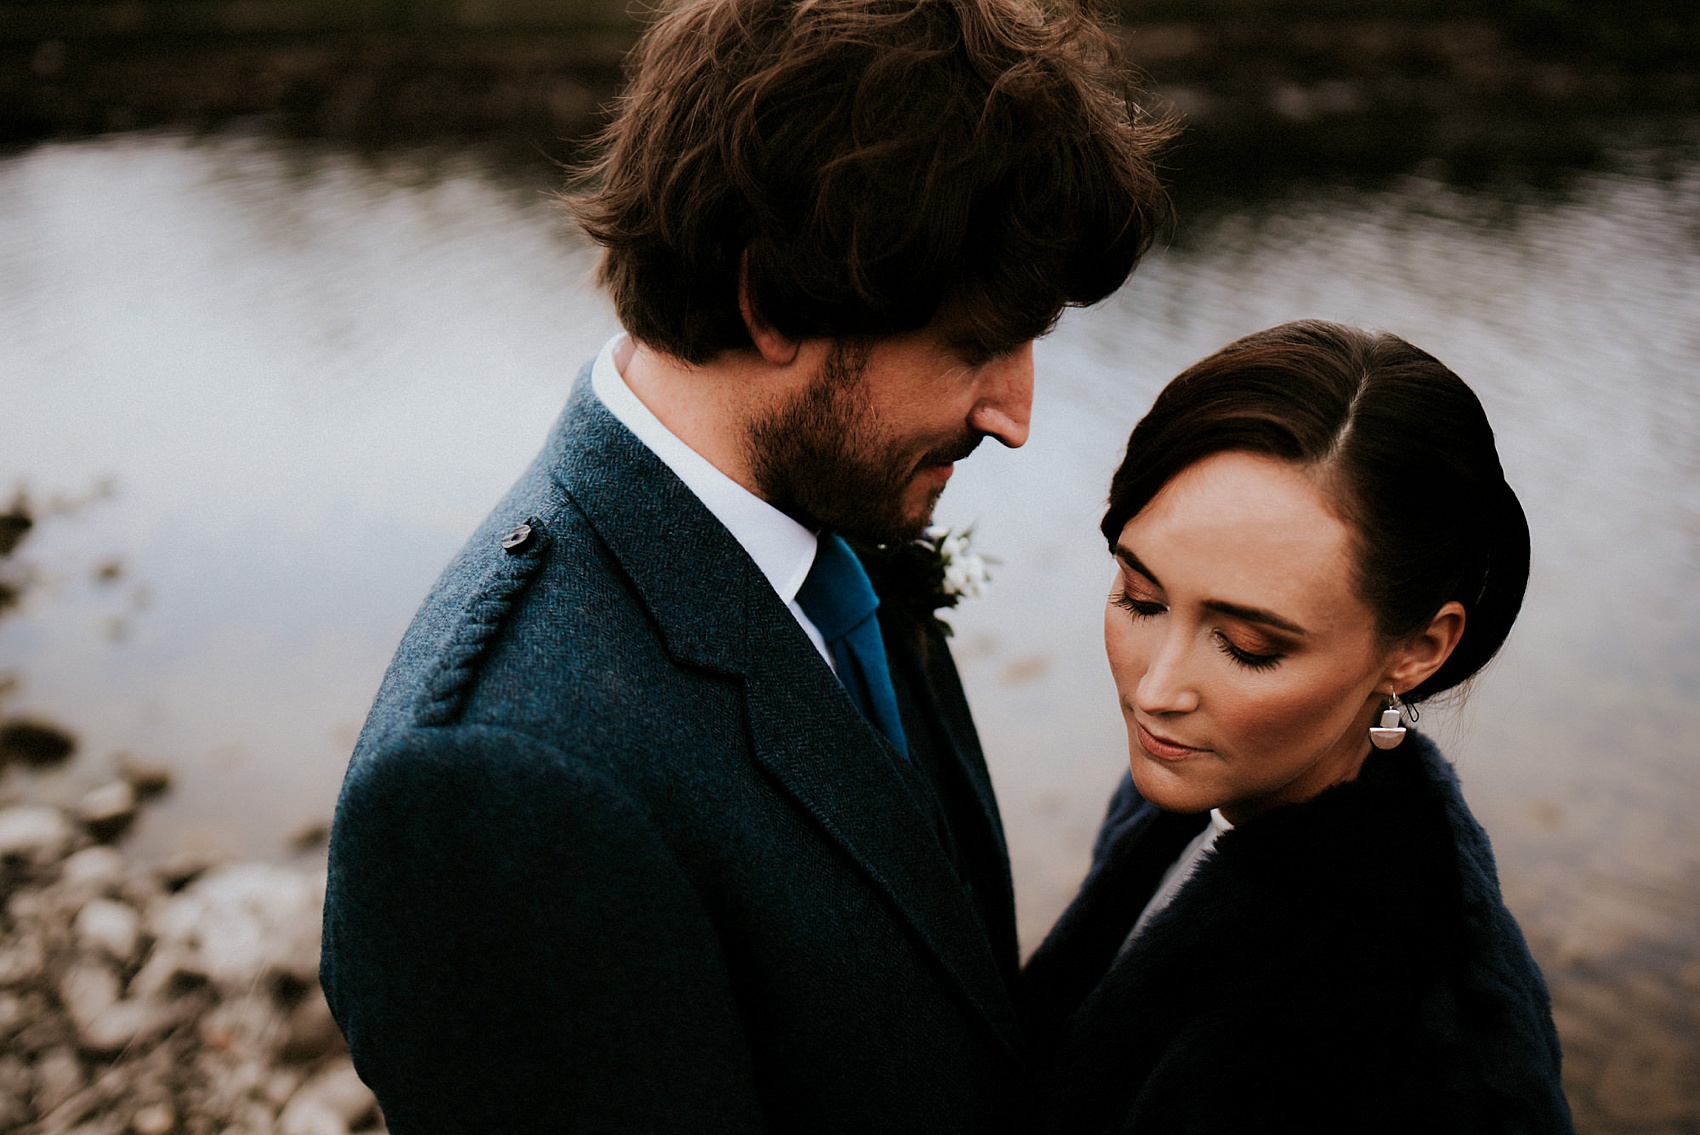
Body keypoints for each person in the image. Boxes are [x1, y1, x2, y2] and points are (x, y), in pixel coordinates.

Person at [319, 0, 1171, 1130]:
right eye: (974, 343)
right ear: (771, 301)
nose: (1015, 415)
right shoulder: (492, 788)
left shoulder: (832, 513)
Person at [1019, 320, 1574, 1133]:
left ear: (1418, 649)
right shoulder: (1197, 785)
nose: (1156, 689)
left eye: (1249, 646)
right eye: (1140, 597)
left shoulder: (1434, 1055)